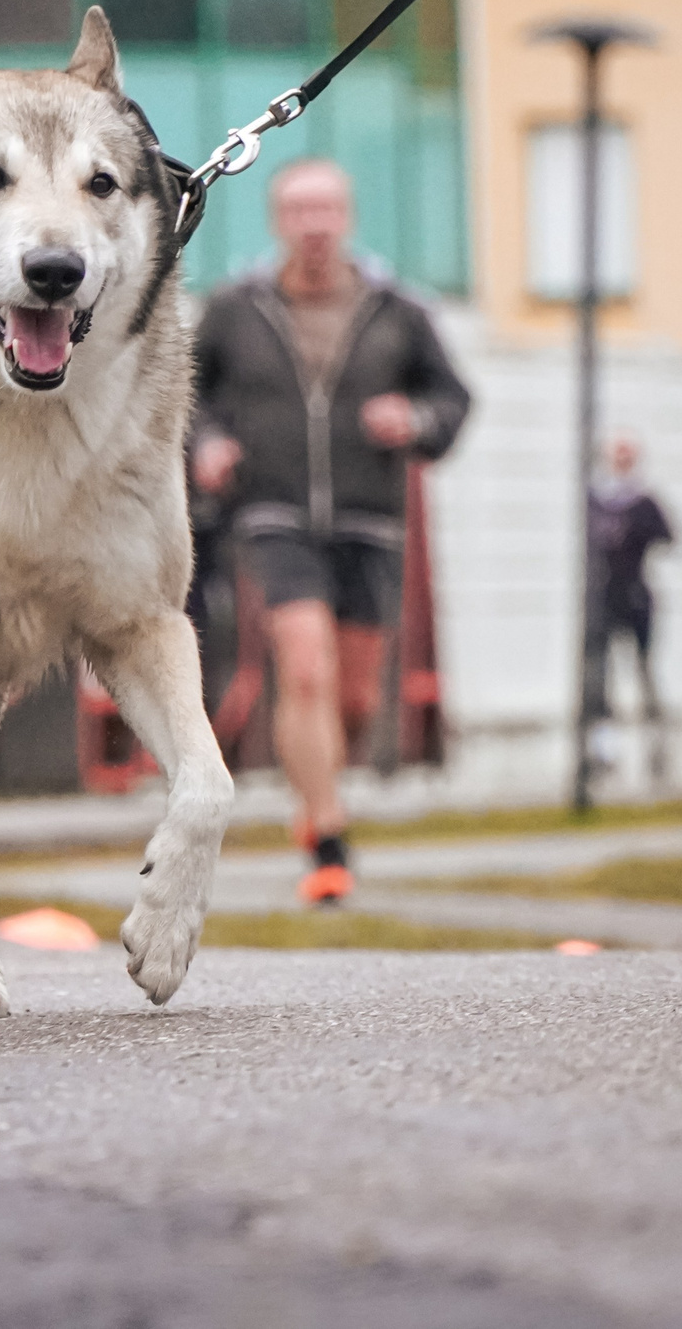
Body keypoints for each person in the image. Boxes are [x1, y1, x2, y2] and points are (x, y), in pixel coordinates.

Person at [191, 158, 471, 905]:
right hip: (272, 511)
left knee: (354, 698)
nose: (314, 225)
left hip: (369, 519)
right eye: (299, 210)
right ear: (278, 220)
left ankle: (318, 791)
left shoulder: (399, 311)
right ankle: (328, 835)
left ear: (346, 217)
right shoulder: (235, 309)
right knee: (304, 667)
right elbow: (184, 396)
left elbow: (453, 400)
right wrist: (205, 445)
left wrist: (415, 419)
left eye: (326, 210)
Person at [584, 434, 674, 780]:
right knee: (600, 675)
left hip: (635, 594)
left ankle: (655, 744)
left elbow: (668, 537)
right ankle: (604, 749)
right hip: (604, 595)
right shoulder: (596, 499)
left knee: (644, 669)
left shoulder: (644, 501)